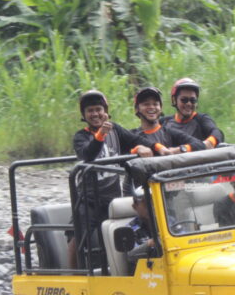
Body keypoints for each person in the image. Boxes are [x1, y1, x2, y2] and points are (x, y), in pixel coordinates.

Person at [70, 90, 153, 267]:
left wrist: (141, 148)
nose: (95, 114)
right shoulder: (81, 136)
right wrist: (100, 135)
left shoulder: (115, 130)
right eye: (90, 111)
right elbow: (87, 154)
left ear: (106, 111)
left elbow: (136, 139)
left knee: (116, 234)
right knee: (78, 235)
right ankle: (71, 274)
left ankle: (116, 271)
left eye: (98, 109)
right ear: (84, 115)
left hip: (112, 198)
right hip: (89, 198)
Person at [131, 86, 205, 154]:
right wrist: (136, 150)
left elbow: (200, 145)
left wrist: (179, 149)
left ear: (160, 108)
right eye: (146, 104)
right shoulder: (131, 136)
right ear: (137, 109)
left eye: (155, 104)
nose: (151, 107)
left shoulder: (169, 132)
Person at [163, 77, 224, 148]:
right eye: (184, 100)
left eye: (193, 100)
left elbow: (217, 133)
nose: (188, 104)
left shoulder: (202, 119)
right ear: (174, 100)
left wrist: (208, 143)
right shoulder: (164, 122)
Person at [125, 186, 156, 267]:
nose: (151, 207)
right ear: (135, 207)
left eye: (153, 202)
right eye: (146, 203)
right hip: (144, 271)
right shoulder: (130, 229)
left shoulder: (168, 221)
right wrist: (149, 244)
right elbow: (130, 255)